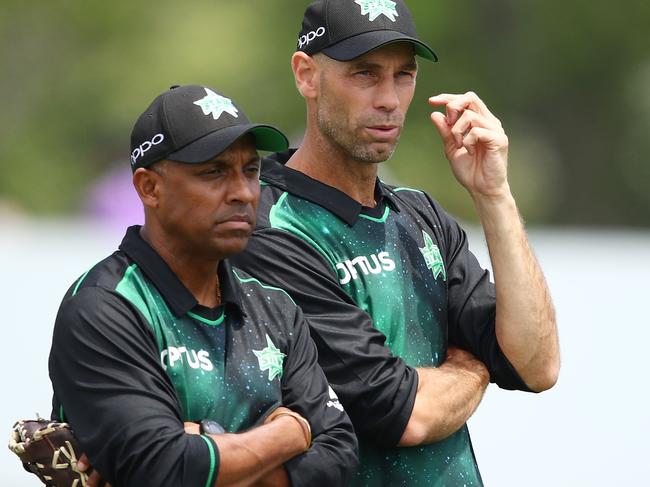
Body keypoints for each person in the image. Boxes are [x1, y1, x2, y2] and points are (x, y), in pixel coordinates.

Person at [231, 1, 560, 485]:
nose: (388, 98)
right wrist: (472, 369)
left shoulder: (419, 214)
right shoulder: (267, 227)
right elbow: (401, 412)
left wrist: (494, 196)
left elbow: (537, 365)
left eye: (402, 76)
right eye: (365, 74)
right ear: (306, 75)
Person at [48, 84, 358, 487]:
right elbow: (163, 469)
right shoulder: (103, 307)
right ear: (149, 188)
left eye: (251, 170)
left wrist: (209, 445)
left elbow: (340, 456)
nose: (243, 193)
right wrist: (289, 434)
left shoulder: (275, 307)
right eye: (214, 172)